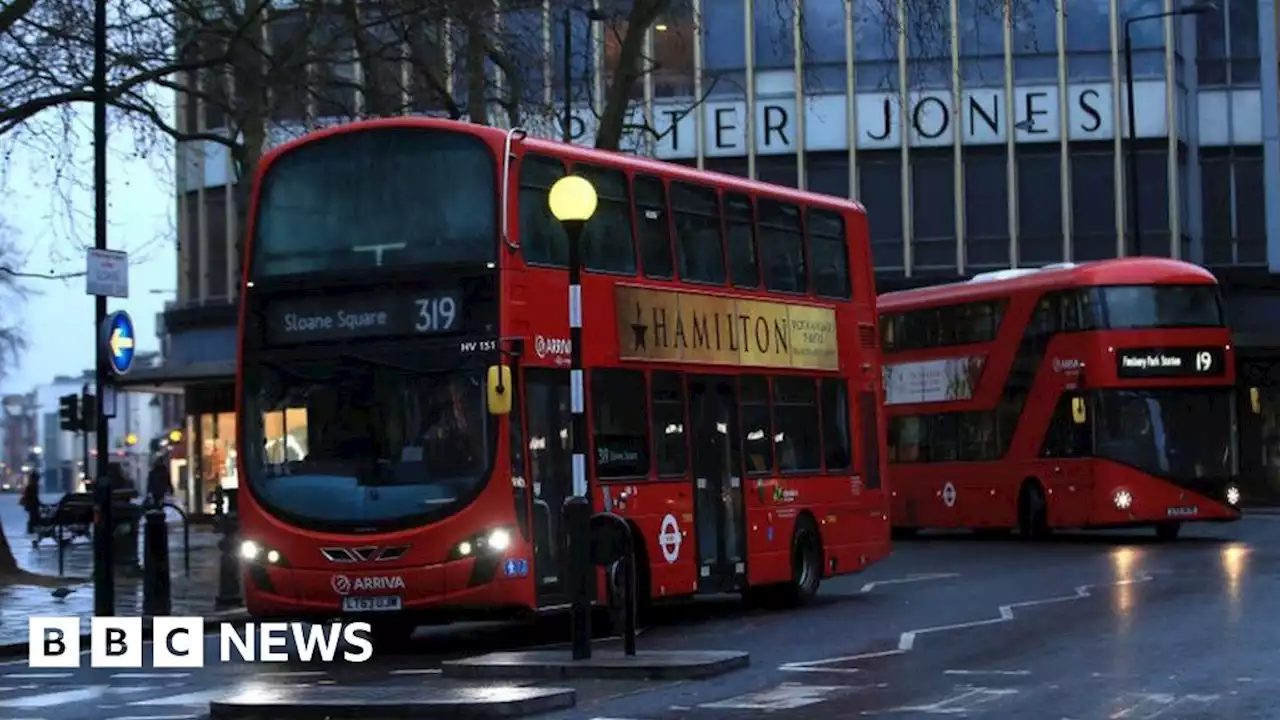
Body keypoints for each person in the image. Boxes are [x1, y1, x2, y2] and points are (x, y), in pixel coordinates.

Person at [20, 469, 41, 534]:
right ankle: (31, 530)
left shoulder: (31, 486)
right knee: (33, 516)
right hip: (32, 504)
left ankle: (31, 530)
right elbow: (33, 497)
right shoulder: (32, 486)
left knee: (32, 517)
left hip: (31, 504)